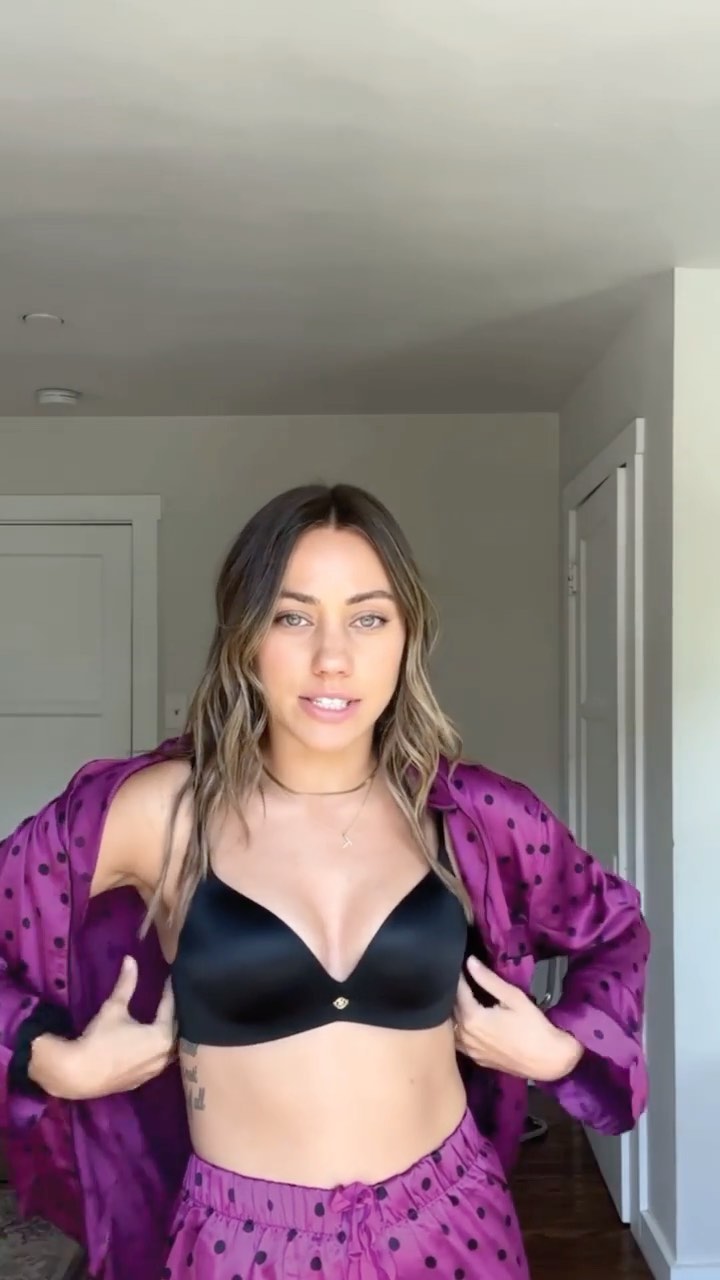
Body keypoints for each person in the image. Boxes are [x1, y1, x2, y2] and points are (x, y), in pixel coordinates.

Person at [0, 483, 649, 1280]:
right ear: (245, 636)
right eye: (293, 617)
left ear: (408, 635)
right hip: (243, 1244)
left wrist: (560, 1049)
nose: (332, 658)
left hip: (453, 1222)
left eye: (368, 618)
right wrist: (48, 1060)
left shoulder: (469, 814)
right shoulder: (159, 813)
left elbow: (615, 928)